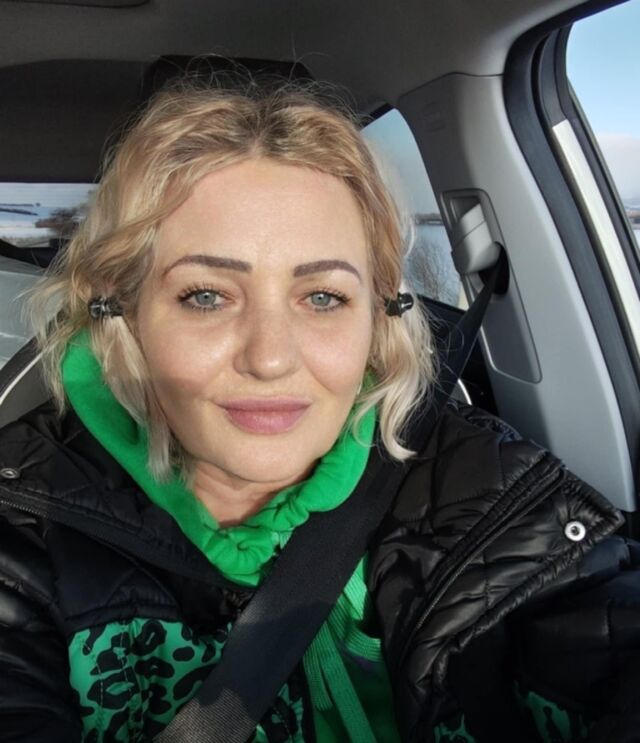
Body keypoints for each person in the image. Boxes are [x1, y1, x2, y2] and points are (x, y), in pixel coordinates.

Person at [0, 76, 638, 743]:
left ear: (379, 317)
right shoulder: (27, 534)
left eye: (323, 297)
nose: (271, 358)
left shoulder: (485, 490)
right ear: (122, 313)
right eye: (207, 295)